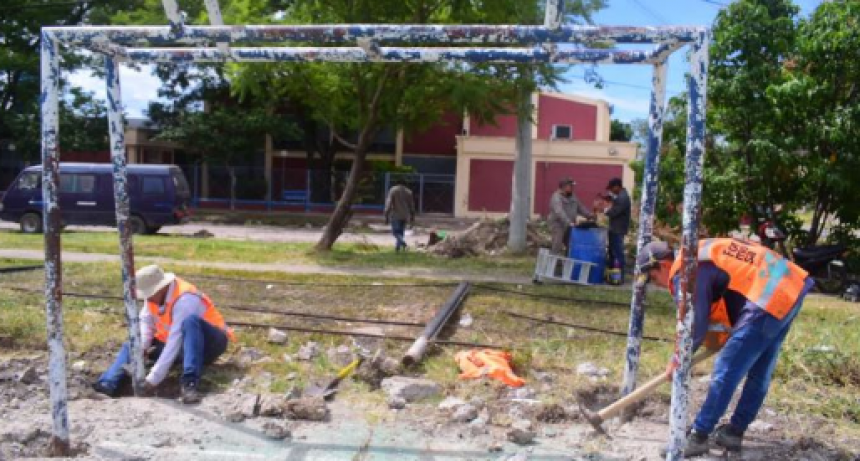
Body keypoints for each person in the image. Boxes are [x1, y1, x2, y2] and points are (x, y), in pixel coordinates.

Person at [638, 239, 812, 457]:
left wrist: (677, 358)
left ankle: (699, 435)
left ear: (663, 265)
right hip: (788, 285)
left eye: (654, 278)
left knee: (726, 369)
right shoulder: (698, 252)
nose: (659, 285)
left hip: (767, 294)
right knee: (760, 371)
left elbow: (695, 322)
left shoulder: (686, 269)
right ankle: (734, 432)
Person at [92, 264, 234, 404]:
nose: (147, 298)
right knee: (133, 344)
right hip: (181, 347)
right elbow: (146, 324)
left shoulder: (185, 299)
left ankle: (189, 384)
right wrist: (141, 349)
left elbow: (175, 340)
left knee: (190, 322)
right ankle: (107, 384)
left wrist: (153, 379)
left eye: (149, 293)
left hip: (210, 344)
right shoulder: (153, 298)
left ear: (161, 288)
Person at [548, 177, 594, 255]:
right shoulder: (556, 197)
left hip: (569, 225)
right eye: (571, 186)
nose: (573, 188)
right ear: (564, 186)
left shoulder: (573, 196)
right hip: (558, 225)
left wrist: (590, 215)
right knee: (557, 244)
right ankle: (554, 264)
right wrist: (568, 222)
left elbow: (580, 207)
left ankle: (567, 263)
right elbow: (559, 212)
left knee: (570, 244)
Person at [601, 178, 631, 282]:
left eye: (612, 189)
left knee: (617, 253)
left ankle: (619, 277)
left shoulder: (623, 198)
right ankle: (612, 276)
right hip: (615, 228)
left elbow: (614, 212)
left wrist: (604, 210)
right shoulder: (620, 196)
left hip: (618, 229)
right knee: (612, 253)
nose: (611, 191)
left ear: (617, 186)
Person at [384, 178, 416, 252]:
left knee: (395, 232)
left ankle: (404, 244)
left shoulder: (393, 190)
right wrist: (412, 218)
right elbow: (412, 206)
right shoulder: (409, 192)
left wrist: (386, 214)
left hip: (395, 214)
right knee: (401, 232)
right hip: (405, 215)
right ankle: (397, 249)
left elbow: (389, 203)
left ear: (397, 183)